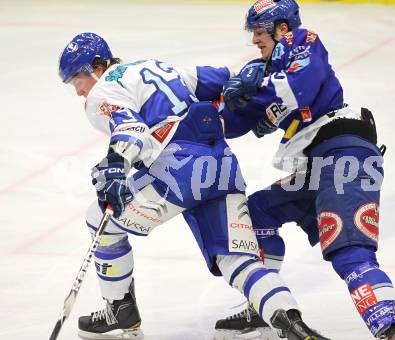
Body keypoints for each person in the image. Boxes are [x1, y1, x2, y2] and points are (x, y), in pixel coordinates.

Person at [58, 32, 332, 340]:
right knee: (237, 260)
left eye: (76, 82)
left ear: (94, 67)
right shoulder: (154, 66)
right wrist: (254, 73)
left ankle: (119, 309)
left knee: (99, 219)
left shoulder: (101, 93)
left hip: (177, 169)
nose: (79, 93)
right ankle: (293, 325)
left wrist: (115, 167)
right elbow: (223, 80)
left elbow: (130, 129)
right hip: (221, 163)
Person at [214, 0, 395, 339]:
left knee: (350, 253)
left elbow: (298, 87)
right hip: (316, 166)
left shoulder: (302, 41)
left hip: (344, 153)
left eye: (260, 32)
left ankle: (390, 331)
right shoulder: (262, 70)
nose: (255, 40)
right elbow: (229, 124)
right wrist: (207, 106)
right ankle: (264, 306)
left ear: (283, 28)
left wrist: (252, 90)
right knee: (256, 215)